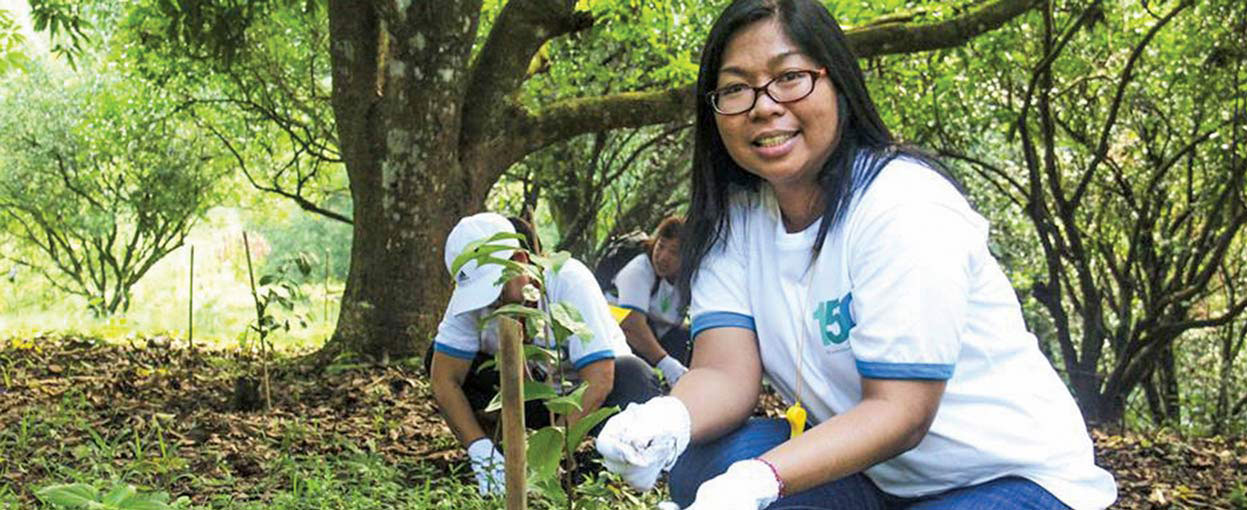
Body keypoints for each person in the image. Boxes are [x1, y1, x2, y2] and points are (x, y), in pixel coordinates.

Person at [594, 1, 1118, 509]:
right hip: (877, 479)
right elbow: (726, 375)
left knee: (745, 480)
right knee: (701, 461)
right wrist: (666, 422)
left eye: (790, 77)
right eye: (735, 88)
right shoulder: (736, 222)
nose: (764, 105)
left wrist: (762, 479)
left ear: (837, 81)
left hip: (1005, 477)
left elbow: (901, 413)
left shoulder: (903, 206)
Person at [429, 213, 661, 496]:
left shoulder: (568, 280)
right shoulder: (467, 300)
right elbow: (444, 379)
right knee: (437, 358)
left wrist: (544, 462)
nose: (493, 302)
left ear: (521, 261)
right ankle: (498, 459)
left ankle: (598, 464)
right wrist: (479, 451)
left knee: (635, 376)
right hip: (531, 396)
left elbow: (600, 380)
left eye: (496, 289)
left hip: (586, 399)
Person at [611, 215, 692, 385]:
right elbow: (631, 325)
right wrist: (666, 363)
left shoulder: (685, 281)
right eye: (661, 246)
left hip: (658, 338)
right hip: (619, 341)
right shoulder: (638, 270)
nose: (663, 257)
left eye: (673, 252)